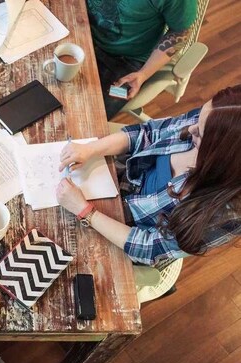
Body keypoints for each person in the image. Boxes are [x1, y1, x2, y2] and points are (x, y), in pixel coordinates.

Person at [56, 84, 241, 265]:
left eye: (200, 134)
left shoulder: (227, 215)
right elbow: (149, 132)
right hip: (121, 178)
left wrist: (85, 212)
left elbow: (149, 247)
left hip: (124, 231)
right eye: (198, 118)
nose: (191, 129)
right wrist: (90, 149)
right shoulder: (212, 117)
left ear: (223, 159)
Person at [86, 0, 197, 119]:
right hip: (81, 25)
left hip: (127, 60)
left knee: (90, 117)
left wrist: (144, 73)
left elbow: (180, 32)